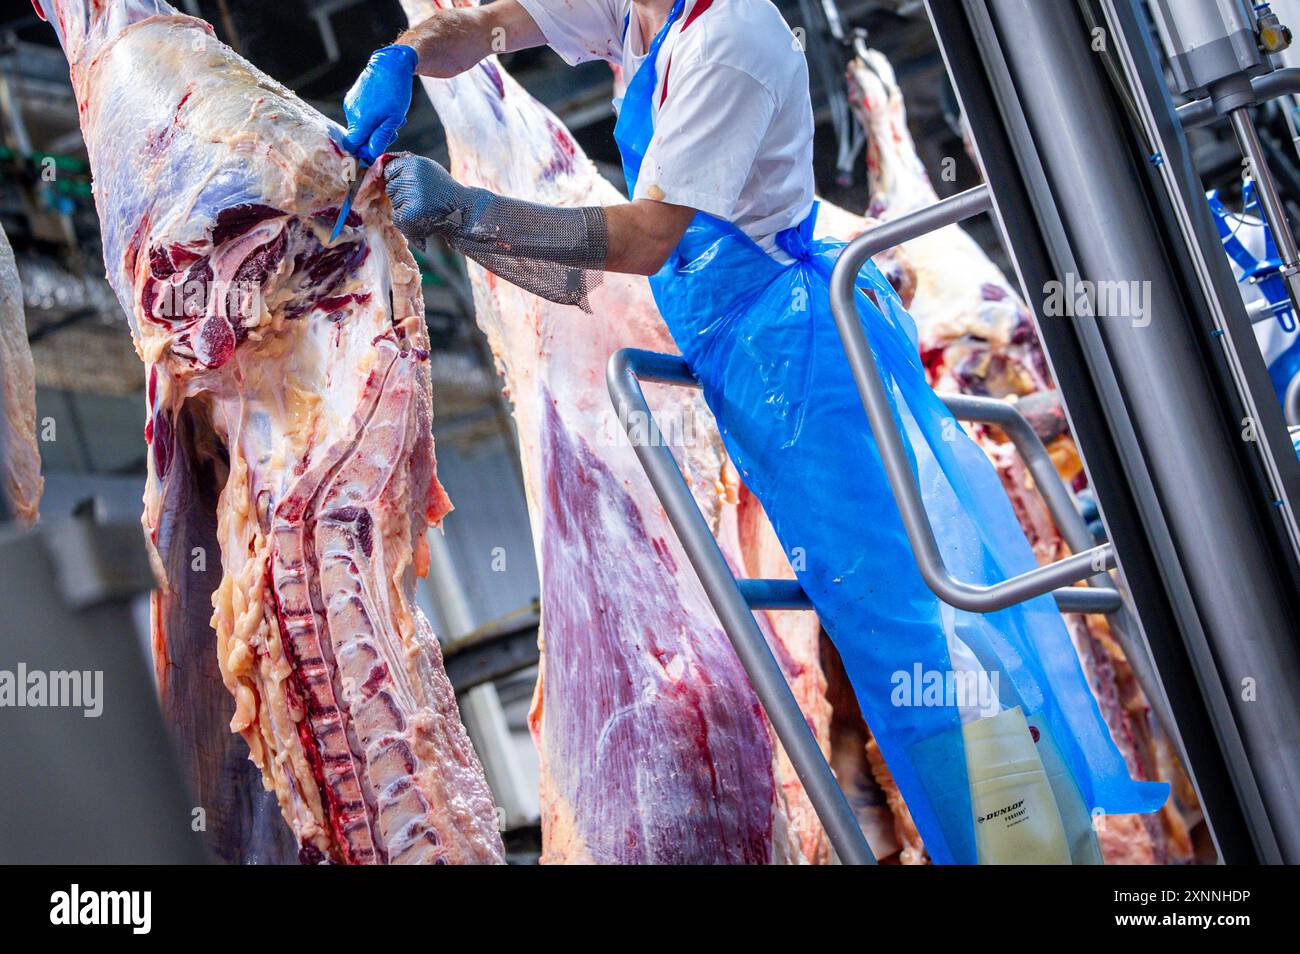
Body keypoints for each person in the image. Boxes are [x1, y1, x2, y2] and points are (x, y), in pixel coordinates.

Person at [340, 0, 1167, 864]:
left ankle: (1026, 852)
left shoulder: (732, 34)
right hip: (740, 355)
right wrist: (404, 56)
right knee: (880, 624)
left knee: (907, 627)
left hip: (795, 350)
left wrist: (474, 211)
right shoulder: (641, 12)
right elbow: (498, 24)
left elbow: (648, 235)